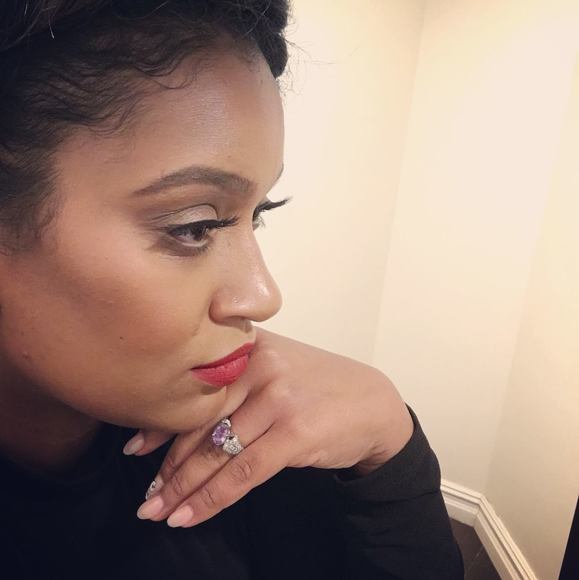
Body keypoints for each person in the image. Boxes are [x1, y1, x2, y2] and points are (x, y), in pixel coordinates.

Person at [0, 1, 464, 578]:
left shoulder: (251, 440)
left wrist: (393, 455)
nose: (263, 296)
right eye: (194, 226)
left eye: (257, 213)